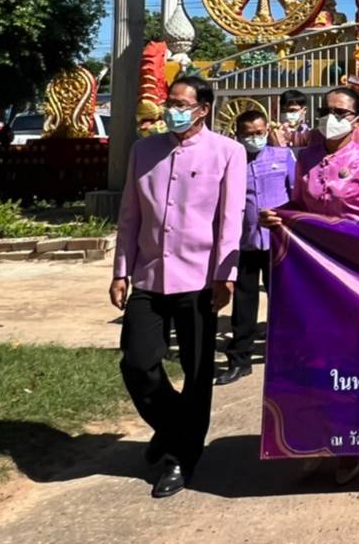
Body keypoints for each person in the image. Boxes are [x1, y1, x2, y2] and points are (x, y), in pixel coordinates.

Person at [112, 77, 245, 499]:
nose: (173, 109)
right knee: (137, 363)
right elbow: (130, 214)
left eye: (182, 103)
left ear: (203, 108)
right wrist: (120, 270)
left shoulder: (228, 152)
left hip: (201, 277)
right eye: (171, 102)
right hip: (150, 275)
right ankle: (173, 429)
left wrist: (227, 275)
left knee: (197, 372)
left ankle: (182, 458)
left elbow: (231, 218)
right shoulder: (143, 150)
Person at [261, 86, 359, 486]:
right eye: (327, 109)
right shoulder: (305, 160)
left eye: (341, 111)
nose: (332, 116)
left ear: (356, 119)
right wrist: (276, 218)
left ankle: (351, 445)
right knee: (312, 357)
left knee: (350, 359)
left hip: (353, 274)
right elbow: (296, 207)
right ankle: (314, 438)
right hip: (311, 274)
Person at [217, 110, 296, 387]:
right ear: (238, 135)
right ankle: (240, 360)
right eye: (248, 133)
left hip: (278, 244)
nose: (255, 138)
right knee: (243, 305)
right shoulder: (230, 162)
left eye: (259, 132)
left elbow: (296, 194)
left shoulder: (282, 157)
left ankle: (289, 358)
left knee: (284, 303)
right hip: (245, 243)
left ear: (267, 130)